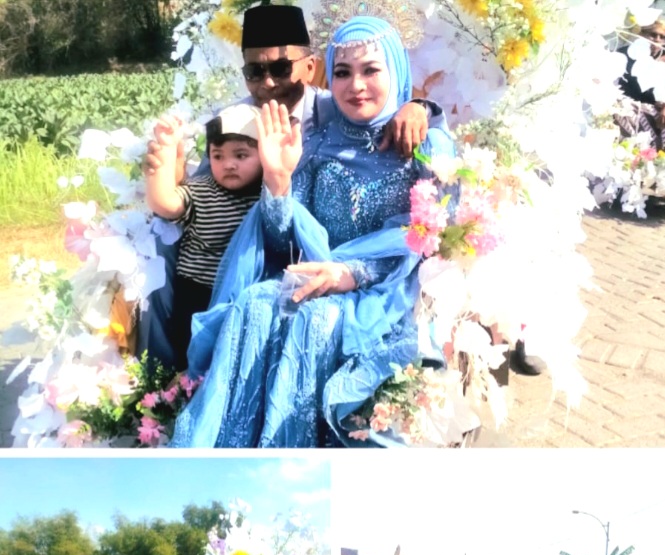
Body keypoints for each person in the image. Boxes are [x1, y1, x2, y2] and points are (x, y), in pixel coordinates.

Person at [170, 16, 458, 448]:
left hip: (380, 288)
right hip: (311, 276)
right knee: (254, 303)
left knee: (318, 320)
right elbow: (280, 239)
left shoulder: (423, 144)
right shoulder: (317, 138)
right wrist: (278, 182)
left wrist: (349, 275)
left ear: (396, 70)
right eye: (342, 72)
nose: (355, 85)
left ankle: (291, 453)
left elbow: (422, 237)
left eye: (371, 70)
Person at [139, 3, 441, 370]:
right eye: (255, 71)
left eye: (281, 68)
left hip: (321, 254)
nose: (267, 82)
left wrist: (419, 106)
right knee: (158, 249)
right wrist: (169, 171)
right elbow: (204, 190)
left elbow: (380, 101)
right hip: (250, 244)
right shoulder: (237, 119)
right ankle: (160, 377)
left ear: (312, 68)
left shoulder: (337, 109)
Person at [145, 105, 263, 371]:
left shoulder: (267, 195)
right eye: (217, 156)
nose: (228, 164)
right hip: (196, 294)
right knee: (190, 364)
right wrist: (165, 152)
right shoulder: (202, 192)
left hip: (240, 297)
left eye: (241, 155)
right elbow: (164, 203)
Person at [616, 19, 665, 151]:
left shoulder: (664, 58)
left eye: (662, 37)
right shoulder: (624, 55)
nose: (657, 40)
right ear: (640, 34)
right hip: (627, 114)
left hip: (652, 120)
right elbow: (638, 89)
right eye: (652, 35)